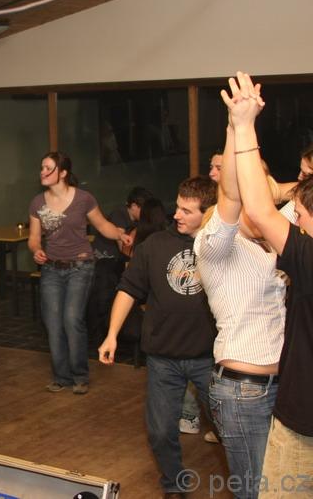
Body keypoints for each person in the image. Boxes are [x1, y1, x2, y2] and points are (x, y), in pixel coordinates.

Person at [98, 176, 217, 498]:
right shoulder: (154, 246)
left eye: (187, 211)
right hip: (164, 358)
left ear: (208, 213)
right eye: (177, 207)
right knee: (161, 431)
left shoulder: (219, 246)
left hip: (210, 358)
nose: (176, 215)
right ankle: (174, 485)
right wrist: (112, 335)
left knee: (230, 429)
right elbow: (128, 290)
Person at [193, 90, 286, 499]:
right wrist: (236, 126)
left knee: (282, 487)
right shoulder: (215, 245)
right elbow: (230, 195)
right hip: (242, 391)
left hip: (284, 385)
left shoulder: (273, 242)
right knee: (254, 491)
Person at [224, 72, 313, 497]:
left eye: (303, 216)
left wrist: (243, 126)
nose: (298, 222)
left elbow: (259, 211)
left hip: (304, 426)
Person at [27, 151, 132, 394]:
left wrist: (120, 234)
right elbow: (33, 238)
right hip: (52, 268)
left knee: (72, 318)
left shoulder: (84, 199)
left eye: (48, 168)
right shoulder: (37, 203)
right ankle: (61, 377)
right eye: (42, 167)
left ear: (63, 173)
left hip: (80, 265)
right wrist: (36, 250)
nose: (43, 172)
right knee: (53, 322)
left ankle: (80, 375)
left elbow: (102, 225)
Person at [87, 186, 153, 346]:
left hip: (113, 262)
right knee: (105, 297)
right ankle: (101, 335)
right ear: (134, 206)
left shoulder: (133, 220)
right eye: (143, 209)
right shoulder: (120, 214)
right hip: (103, 260)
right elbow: (122, 245)